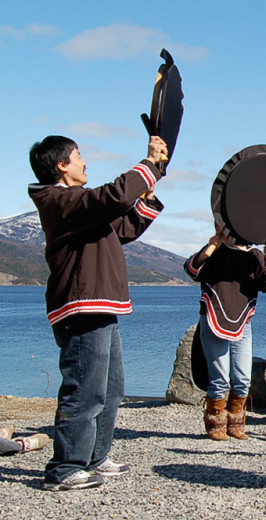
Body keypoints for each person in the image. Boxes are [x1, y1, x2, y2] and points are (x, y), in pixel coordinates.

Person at [28, 134, 168, 491]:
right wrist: (149, 164)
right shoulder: (59, 200)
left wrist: (149, 190)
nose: (84, 161)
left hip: (99, 305)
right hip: (80, 306)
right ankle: (64, 468)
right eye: (78, 155)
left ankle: (93, 457)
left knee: (111, 386)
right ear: (62, 165)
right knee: (84, 388)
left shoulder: (80, 208)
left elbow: (122, 227)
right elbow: (113, 197)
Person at [184, 229, 266, 441]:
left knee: (243, 378)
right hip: (214, 318)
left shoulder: (254, 255)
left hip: (243, 320)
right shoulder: (216, 251)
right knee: (219, 377)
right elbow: (192, 269)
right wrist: (211, 246)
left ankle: (236, 424)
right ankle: (215, 422)